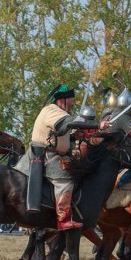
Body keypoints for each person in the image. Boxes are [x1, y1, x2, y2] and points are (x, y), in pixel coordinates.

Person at [28, 83, 98, 230]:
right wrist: (98, 126)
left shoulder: (58, 112)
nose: (73, 104)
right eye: (71, 100)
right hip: (47, 155)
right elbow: (65, 123)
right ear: (62, 100)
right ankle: (63, 219)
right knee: (65, 179)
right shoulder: (52, 111)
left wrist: (76, 135)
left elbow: (63, 133)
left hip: (54, 153)